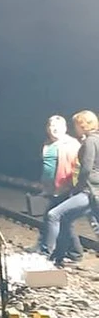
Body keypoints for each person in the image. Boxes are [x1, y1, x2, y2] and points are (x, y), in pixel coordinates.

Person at [42, 110, 99, 266]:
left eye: (76, 124)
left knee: (54, 215)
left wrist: (78, 187)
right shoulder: (95, 139)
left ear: (82, 125)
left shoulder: (90, 142)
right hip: (94, 191)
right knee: (67, 219)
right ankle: (60, 256)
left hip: (89, 191)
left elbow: (86, 168)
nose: (75, 128)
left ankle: (46, 254)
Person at [36, 115, 80, 255]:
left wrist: (73, 187)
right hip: (51, 188)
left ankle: (50, 250)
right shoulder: (47, 144)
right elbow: (47, 166)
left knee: (56, 218)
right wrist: (45, 187)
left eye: (56, 127)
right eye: (50, 126)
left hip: (66, 188)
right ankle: (72, 251)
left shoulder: (71, 144)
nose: (53, 129)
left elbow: (78, 167)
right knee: (61, 221)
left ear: (65, 128)